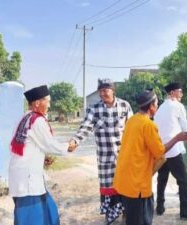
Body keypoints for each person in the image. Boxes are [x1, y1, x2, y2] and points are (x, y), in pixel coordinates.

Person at [113, 89, 187, 225]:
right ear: (152, 106)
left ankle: (160, 206)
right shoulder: (148, 125)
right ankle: (182, 211)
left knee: (132, 217)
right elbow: (160, 151)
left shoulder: (132, 120)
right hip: (138, 184)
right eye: (156, 103)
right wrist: (177, 138)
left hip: (125, 179)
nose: (157, 106)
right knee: (141, 219)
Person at [69, 78, 133, 224]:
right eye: (100, 91)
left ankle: (125, 213)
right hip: (105, 157)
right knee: (108, 188)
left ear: (113, 90)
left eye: (105, 90)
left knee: (125, 186)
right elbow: (85, 127)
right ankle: (110, 216)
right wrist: (75, 141)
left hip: (124, 156)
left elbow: (133, 128)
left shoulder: (124, 105)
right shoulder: (94, 108)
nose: (103, 93)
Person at [9, 85, 75, 225]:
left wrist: (42, 157)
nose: (49, 105)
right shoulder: (37, 120)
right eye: (48, 101)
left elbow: (29, 145)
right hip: (28, 181)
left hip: (22, 175)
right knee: (32, 218)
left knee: (48, 210)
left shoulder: (24, 118)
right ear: (37, 103)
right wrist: (68, 146)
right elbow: (49, 144)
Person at [154, 82, 187, 222]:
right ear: (173, 93)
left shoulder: (160, 107)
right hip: (174, 149)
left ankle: (160, 207)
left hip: (162, 149)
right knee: (183, 182)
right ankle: (186, 212)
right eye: (180, 92)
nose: (182, 95)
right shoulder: (178, 106)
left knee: (161, 179)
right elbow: (184, 126)